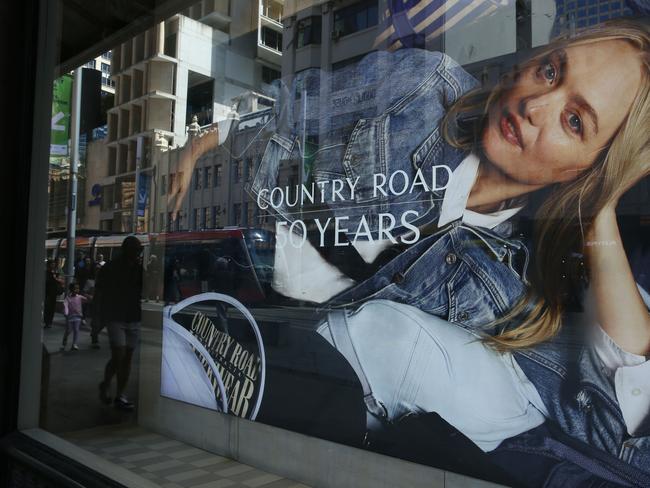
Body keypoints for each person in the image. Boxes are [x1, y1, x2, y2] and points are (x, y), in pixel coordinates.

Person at [248, 18, 650, 484]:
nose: (536, 107)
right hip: (246, 299)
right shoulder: (421, 89)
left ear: (591, 168)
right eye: (551, 72)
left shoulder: (513, 272)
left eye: (575, 120)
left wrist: (599, 204)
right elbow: (288, 106)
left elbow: (618, 411)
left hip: (292, 379)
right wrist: (200, 148)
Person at [95, 236, 143, 410]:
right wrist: (99, 316)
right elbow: (100, 291)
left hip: (132, 315)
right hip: (116, 316)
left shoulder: (138, 268)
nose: (138, 253)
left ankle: (119, 393)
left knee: (126, 357)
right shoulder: (112, 267)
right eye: (136, 250)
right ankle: (108, 385)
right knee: (120, 355)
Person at [61, 282, 88, 351]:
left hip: (78, 317)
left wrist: (88, 296)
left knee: (76, 330)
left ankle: (74, 344)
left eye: (78, 288)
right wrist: (66, 313)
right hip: (69, 317)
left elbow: (87, 300)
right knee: (68, 331)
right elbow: (65, 306)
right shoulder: (68, 298)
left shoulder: (79, 297)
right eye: (75, 288)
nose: (77, 290)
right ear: (71, 289)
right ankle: (64, 342)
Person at [43, 259, 63, 329]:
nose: (53, 265)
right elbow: (47, 281)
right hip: (48, 292)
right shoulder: (47, 272)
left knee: (52, 308)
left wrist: (57, 279)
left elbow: (60, 280)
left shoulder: (56, 272)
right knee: (47, 307)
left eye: (54, 264)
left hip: (53, 292)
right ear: (49, 265)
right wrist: (55, 279)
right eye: (52, 264)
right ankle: (47, 322)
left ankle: (49, 322)